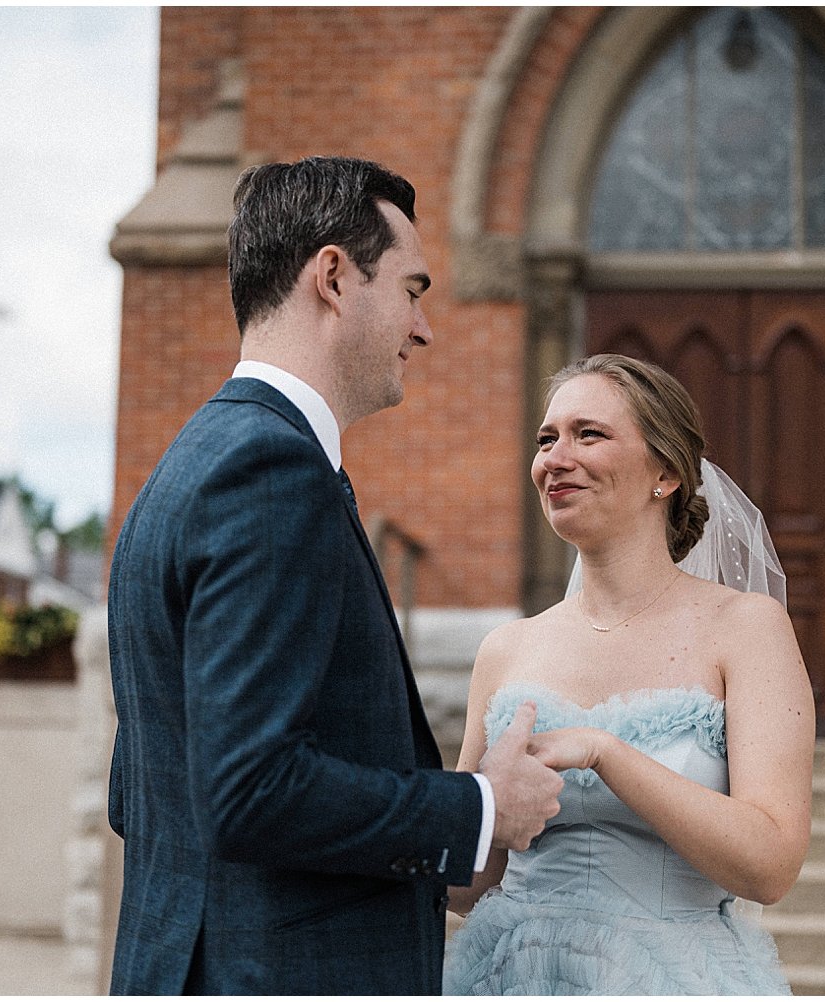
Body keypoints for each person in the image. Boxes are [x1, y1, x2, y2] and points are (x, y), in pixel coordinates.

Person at [106, 156, 563, 995]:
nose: (423, 329)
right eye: (412, 290)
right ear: (333, 277)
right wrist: (481, 807)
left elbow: (139, 792)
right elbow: (248, 789)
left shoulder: (189, 466)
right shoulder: (272, 474)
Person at [444, 353, 814, 995]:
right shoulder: (506, 649)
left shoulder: (746, 628)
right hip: (510, 973)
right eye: (546, 439)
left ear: (665, 472)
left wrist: (605, 754)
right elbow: (467, 880)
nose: (555, 458)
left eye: (588, 433)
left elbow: (770, 865)